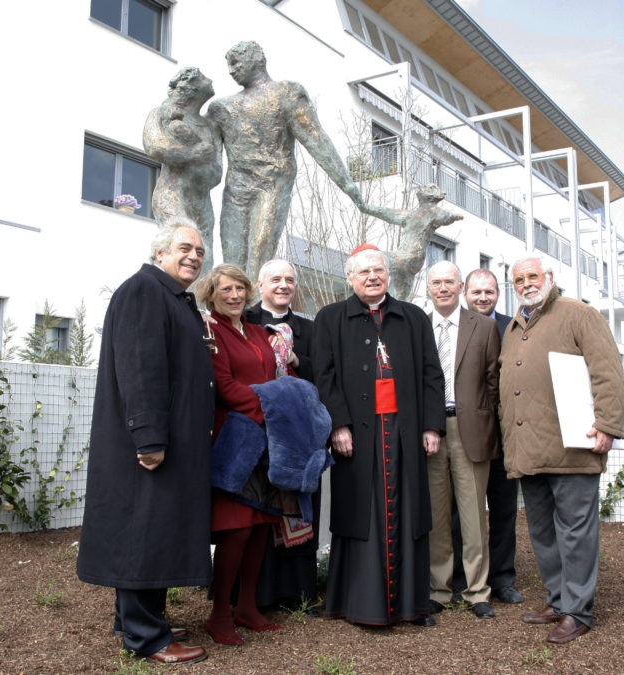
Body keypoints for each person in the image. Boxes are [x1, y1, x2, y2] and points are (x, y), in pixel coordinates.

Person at [76, 221, 213, 665]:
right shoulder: (144, 292)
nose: (194, 255)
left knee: (155, 532)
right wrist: (149, 436)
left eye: (199, 250)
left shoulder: (168, 296)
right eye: (184, 248)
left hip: (170, 440)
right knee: (142, 531)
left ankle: (141, 618)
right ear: (160, 253)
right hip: (152, 443)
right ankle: (146, 637)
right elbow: (140, 367)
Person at [313, 244, 445, 627]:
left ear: (388, 275)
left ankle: (411, 604)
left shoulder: (413, 317)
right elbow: (324, 376)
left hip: (404, 433)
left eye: (378, 271)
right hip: (358, 435)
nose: (372, 277)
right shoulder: (330, 317)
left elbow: (431, 375)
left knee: (408, 512)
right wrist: (338, 424)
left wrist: (432, 426)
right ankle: (358, 602)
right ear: (350, 278)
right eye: (364, 272)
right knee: (361, 514)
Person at [499, 256, 624, 644]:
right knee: (542, 532)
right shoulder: (514, 326)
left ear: (550, 278)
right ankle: (558, 599)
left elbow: (608, 371)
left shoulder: (579, 315)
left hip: (572, 448)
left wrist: (607, 425)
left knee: (575, 532)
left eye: (532, 276)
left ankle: (577, 611)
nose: (525, 283)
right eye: (518, 279)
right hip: (530, 450)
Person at [207, 41, 366, 280]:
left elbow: (316, 139)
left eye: (236, 63)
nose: (231, 70)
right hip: (236, 190)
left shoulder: (286, 93)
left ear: (256, 59)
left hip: (271, 186)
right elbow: (204, 155)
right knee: (232, 265)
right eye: (229, 65)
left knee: (259, 256)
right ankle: (228, 316)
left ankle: (254, 314)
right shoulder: (221, 107)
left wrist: (348, 185)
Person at [199, 264, 297, 646]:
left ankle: (247, 607)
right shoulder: (211, 331)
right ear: (213, 293)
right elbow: (221, 384)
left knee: (260, 526)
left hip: (266, 439)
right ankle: (219, 613)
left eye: (240, 288)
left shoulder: (259, 332)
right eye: (226, 289)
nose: (235, 295)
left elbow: (278, 373)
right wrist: (269, 405)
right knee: (235, 528)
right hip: (233, 440)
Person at [424, 261, 501, 620]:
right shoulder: (418, 326)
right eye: (436, 282)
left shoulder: (484, 327)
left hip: (470, 429)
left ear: (460, 287)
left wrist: (487, 424)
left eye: (449, 282)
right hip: (430, 431)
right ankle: (439, 589)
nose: (443, 288)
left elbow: (493, 381)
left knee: (473, 516)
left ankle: (476, 591)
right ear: (429, 288)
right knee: (437, 516)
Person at [244, 258, 320, 610]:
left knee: (297, 508)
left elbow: (323, 369)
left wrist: (296, 359)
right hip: (255, 427)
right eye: (275, 279)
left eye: (290, 279)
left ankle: (297, 593)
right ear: (260, 285)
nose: (283, 285)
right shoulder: (243, 320)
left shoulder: (310, 328)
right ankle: (254, 593)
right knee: (256, 509)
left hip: (297, 433)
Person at [460, 267, 523, 605]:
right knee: (460, 510)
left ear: (498, 294)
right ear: (465, 293)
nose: (482, 297)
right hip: (466, 434)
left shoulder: (511, 328)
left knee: (503, 508)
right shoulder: (451, 327)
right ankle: (462, 577)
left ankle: (502, 578)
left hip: (504, 435)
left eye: (489, 291)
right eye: (476, 292)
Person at [142, 67, 223, 269]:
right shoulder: (162, 114)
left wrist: (207, 165)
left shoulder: (210, 127)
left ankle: (197, 301)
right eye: (204, 78)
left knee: (205, 259)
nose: (211, 79)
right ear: (190, 86)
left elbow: (216, 173)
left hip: (201, 201)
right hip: (173, 195)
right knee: (178, 252)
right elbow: (155, 146)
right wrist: (193, 154)